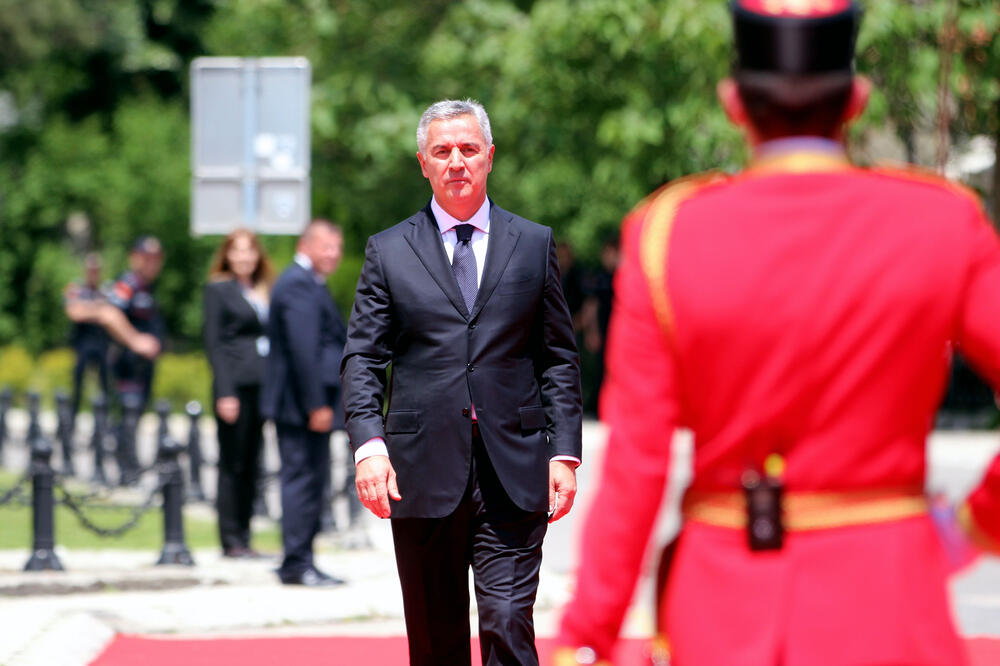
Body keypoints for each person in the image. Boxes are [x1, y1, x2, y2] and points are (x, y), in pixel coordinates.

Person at [554, 2, 1000, 665]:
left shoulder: (667, 235)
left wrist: (586, 637)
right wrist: (971, 527)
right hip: (889, 604)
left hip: (718, 614)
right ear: (857, 100)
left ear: (734, 102)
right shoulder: (941, 224)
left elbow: (637, 465)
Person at [341, 99, 583, 666]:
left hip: (514, 469)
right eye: (442, 151)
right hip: (420, 472)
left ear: (490, 158)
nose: (457, 162)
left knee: (506, 621)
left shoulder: (534, 243)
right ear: (422, 162)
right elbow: (363, 358)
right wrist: (368, 449)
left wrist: (564, 452)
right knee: (435, 638)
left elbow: (557, 357)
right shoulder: (389, 250)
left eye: (469, 150)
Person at [261, 219, 347, 587]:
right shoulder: (297, 284)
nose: (334, 255)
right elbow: (303, 351)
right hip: (301, 406)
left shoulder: (309, 283)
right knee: (302, 482)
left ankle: (302, 557)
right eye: (327, 247)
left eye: (337, 248)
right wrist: (317, 404)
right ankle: (297, 562)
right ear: (306, 245)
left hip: (305, 404)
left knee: (312, 480)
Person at [66, 236, 164, 485]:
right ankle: (125, 470)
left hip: (140, 366)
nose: (152, 263)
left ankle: (128, 468)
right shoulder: (128, 283)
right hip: (128, 363)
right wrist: (136, 341)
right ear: (135, 257)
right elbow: (109, 314)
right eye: (147, 257)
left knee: (135, 415)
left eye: (156, 258)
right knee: (126, 416)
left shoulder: (146, 285)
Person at [203, 229, 275, 559]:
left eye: (250, 251)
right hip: (235, 387)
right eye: (238, 251)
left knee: (252, 462)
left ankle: (245, 536)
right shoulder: (218, 290)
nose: (244, 257)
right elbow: (215, 344)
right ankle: (230, 538)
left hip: (261, 384)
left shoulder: (262, 290)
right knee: (232, 463)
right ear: (228, 255)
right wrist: (225, 392)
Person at [63, 253, 110, 423]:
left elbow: (110, 314)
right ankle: (71, 422)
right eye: (91, 270)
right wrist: (98, 308)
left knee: (105, 386)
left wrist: (87, 309)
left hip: (101, 343)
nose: (93, 273)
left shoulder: (106, 289)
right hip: (82, 342)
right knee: (77, 386)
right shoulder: (75, 289)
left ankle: (104, 424)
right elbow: (74, 313)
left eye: (96, 270)